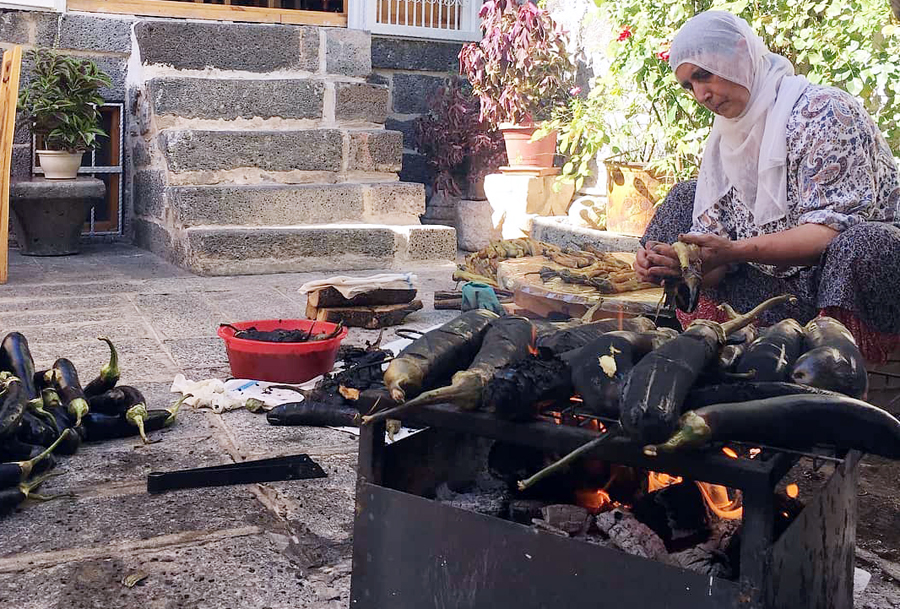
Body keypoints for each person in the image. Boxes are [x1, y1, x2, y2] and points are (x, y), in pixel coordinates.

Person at [633, 10, 900, 363]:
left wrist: (735, 250)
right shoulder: (724, 139)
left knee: (863, 243)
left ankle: (836, 366)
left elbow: (829, 233)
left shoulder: (824, 111)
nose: (700, 94)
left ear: (740, 54)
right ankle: (708, 345)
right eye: (688, 85)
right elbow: (716, 262)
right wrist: (684, 265)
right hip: (777, 289)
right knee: (685, 196)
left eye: (703, 75)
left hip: (848, 286)